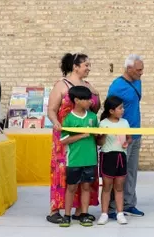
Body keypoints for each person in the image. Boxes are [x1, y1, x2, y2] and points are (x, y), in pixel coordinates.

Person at [46, 53, 100, 224]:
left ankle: (80, 211)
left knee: (85, 172)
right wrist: (56, 123)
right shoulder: (61, 85)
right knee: (63, 172)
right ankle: (56, 209)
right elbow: (52, 109)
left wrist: (96, 95)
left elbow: (94, 109)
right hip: (64, 135)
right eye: (86, 65)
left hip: (85, 138)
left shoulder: (88, 86)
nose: (88, 68)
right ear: (75, 66)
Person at [106, 54, 144, 218]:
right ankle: (112, 207)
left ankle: (129, 204)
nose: (141, 73)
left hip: (136, 134)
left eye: (142, 69)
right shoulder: (116, 86)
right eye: (138, 70)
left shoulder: (138, 81)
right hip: (121, 137)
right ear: (129, 69)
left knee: (131, 172)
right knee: (118, 173)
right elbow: (109, 110)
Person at [58, 86, 99, 227]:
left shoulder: (93, 117)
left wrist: (101, 135)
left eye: (90, 98)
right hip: (74, 160)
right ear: (76, 100)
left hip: (90, 159)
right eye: (86, 99)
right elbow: (63, 140)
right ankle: (67, 215)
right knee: (71, 188)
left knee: (86, 187)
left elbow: (97, 138)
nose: (90, 101)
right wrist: (82, 135)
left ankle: (84, 214)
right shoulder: (69, 119)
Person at [97, 96, 131, 225]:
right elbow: (99, 142)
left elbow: (129, 138)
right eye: (120, 108)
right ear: (111, 111)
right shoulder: (103, 123)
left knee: (119, 187)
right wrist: (103, 136)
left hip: (121, 156)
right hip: (107, 156)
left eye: (122, 107)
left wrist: (126, 143)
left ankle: (120, 213)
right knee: (106, 187)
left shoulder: (125, 122)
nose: (123, 110)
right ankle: (104, 214)